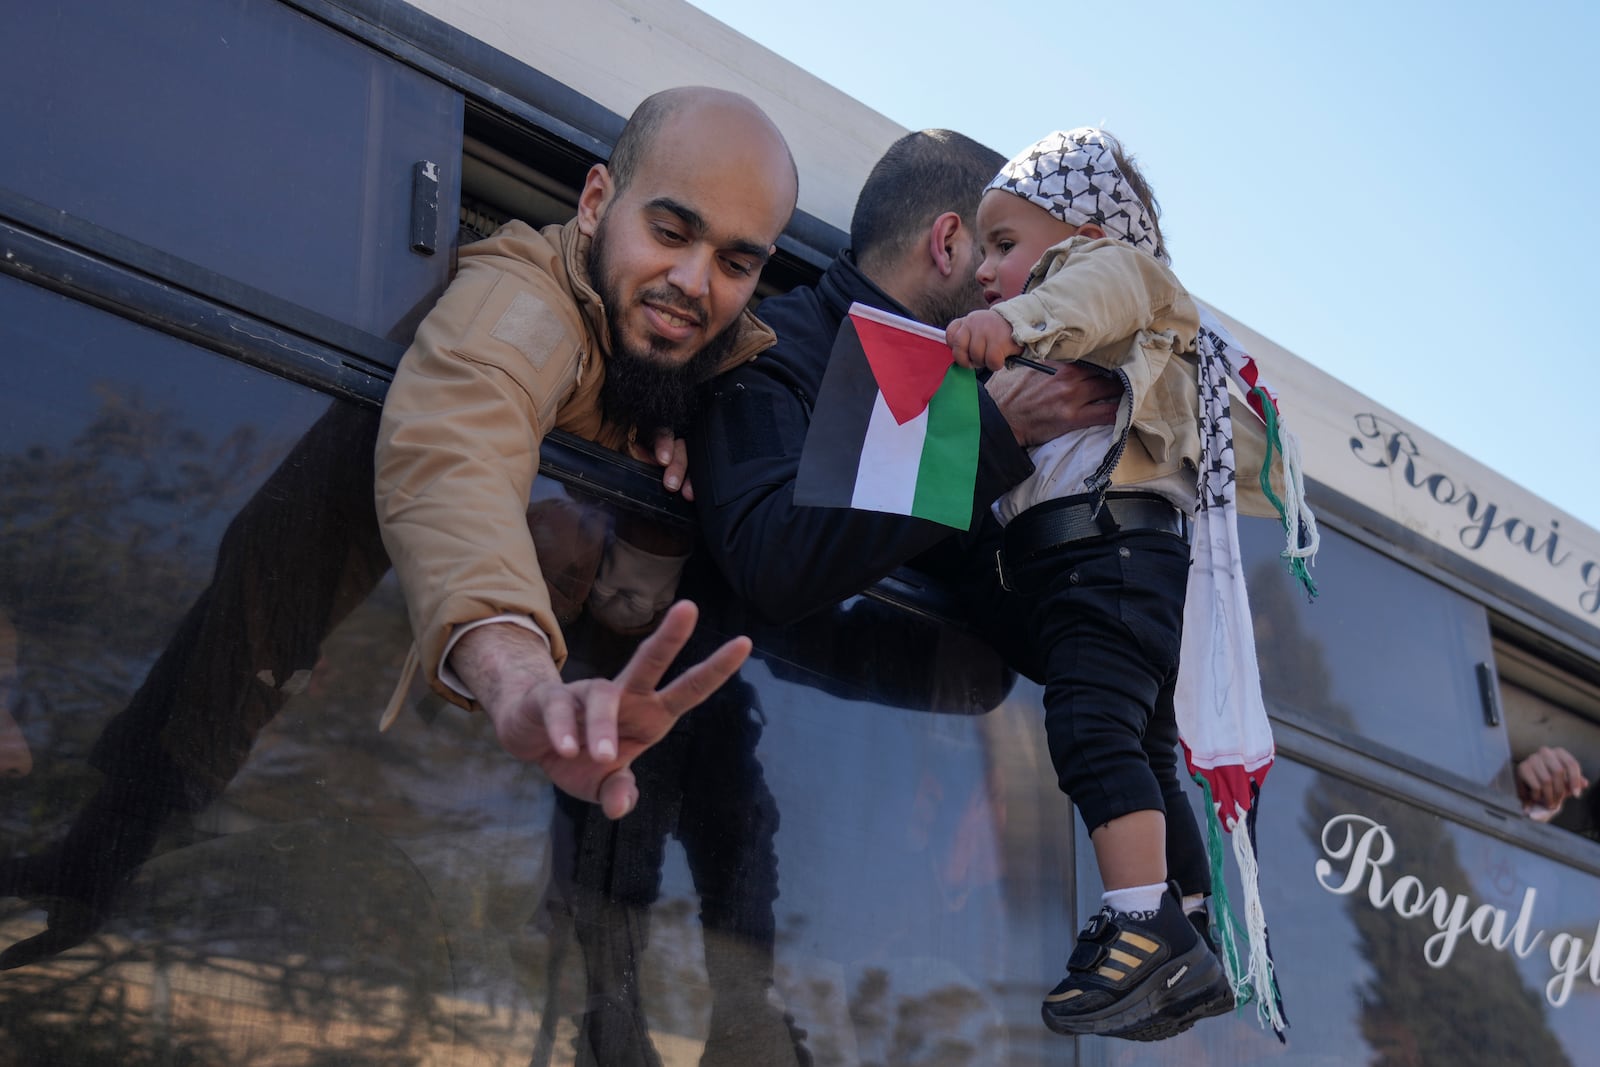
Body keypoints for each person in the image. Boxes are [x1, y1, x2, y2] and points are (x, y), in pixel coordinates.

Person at [943, 128, 1293, 1039]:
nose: (984, 271)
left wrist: (1013, 326)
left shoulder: (1115, 274)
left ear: (1088, 229)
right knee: (1139, 743)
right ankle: (1188, 917)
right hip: (1112, 562)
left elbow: (1085, 291)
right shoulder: (1095, 329)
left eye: (1005, 245)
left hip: (1110, 554)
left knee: (1090, 724)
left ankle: (1140, 922)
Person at [375, 86, 799, 820]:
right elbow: (455, 450)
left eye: (736, 263)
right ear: (597, 201)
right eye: (670, 231)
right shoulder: (527, 303)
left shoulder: (721, 379)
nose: (694, 283)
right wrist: (521, 681)